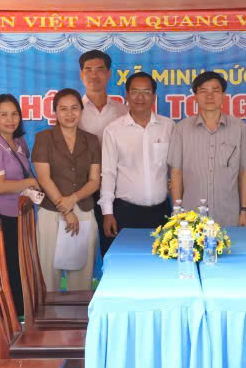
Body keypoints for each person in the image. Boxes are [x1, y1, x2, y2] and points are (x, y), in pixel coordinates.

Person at [168, 71, 246, 226]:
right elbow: (176, 172)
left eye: (215, 91)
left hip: (229, 216)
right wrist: (177, 212)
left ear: (223, 95)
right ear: (195, 96)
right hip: (191, 218)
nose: (209, 96)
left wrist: (244, 210)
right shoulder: (181, 129)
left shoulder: (239, 128)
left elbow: (245, 171)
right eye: (203, 91)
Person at [33, 88, 101, 290]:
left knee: (82, 275)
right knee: (48, 275)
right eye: (63, 109)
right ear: (55, 112)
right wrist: (66, 210)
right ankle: (48, 311)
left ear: (81, 111)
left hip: (84, 211)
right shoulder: (44, 138)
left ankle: (79, 311)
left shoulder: (91, 140)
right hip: (51, 212)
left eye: (74, 108)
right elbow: (44, 178)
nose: (69, 114)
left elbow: (94, 180)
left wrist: (73, 199)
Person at [0, 94, 40, 312]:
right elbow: (0, 186)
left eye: (14, 114)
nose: (10, 119)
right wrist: (31, 182)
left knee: (23, 268)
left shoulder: (20, 142)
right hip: (2, 219)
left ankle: (25, 318)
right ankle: (9, 324)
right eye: (3, 115)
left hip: (23, 216)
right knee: (9, 271)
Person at [100, 72, 174, 237]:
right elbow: (108, 173)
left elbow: (175, 171)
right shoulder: (113, 130)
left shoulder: (168, 127)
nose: (140, 97)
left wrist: (177, 208)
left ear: (154, 97)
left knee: (163, 254)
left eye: (146, 92)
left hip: (162, 212)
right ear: (127, 95)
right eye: (134, 91)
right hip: (125, 212)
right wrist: (107, 212)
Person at [77, 50, 128, 255]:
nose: (93, 75)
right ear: (81, 74)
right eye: (88, 70)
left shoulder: (123, 111)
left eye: (99, 69)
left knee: (114, 245)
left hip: (116, 188)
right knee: (81, 248)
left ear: (108, 74)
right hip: (82, 188)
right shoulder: (72, 110)